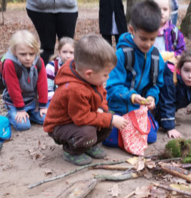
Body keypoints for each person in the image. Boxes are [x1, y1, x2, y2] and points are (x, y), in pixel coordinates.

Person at [43, 35, 127, 166]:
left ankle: (89, 146)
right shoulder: (74, 89)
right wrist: (109, 119)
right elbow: (81, 119)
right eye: (105, 74)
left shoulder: (92, 78)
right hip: (61, 125)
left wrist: (102, 109)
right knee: (89, 131)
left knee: (107, 117)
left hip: (79, 118)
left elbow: (103, 95)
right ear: (89, 73)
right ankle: (71, 151)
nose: (107, 77)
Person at [104, 0, 165, 147]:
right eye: (143, 38)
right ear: (132, 30)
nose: (148, 44)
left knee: (150, 138)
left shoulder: (156, 57)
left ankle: (145, 121)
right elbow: (112, 87)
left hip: (139, 108)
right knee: (109, 140)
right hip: (118, 106)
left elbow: (155, 85)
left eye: (152, 39)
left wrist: (151, 97)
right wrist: (131, 96)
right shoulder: (121, 55)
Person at [156, 49, 191, 139]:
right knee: (158, 119)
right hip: (158, 100)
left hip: (178, 99)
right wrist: (170, 127)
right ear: (180, 69)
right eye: (187, 70)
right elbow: (167, 101)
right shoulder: (170, 78)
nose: (190, 76)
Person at [2, 30, 48, 131]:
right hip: (14, 102)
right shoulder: (9, 64)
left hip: (32, 100)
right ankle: (11, 115)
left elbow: (43, 84)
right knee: (23, 126)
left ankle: (30, 114)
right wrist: (20, 109)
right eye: (23, 54)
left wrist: (43, 105)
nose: (28, 58)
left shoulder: (39, 61)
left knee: (47, 119)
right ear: (14, 52)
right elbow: (13, 88)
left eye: (31, 54)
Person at [46, 37, 75, 102]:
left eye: (71, 52)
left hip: (73, 100)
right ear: (59, 53)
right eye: (64, 52)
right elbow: (48, 89)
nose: (68, 56)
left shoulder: (78, 67)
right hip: (54, 99)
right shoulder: (51, 67)